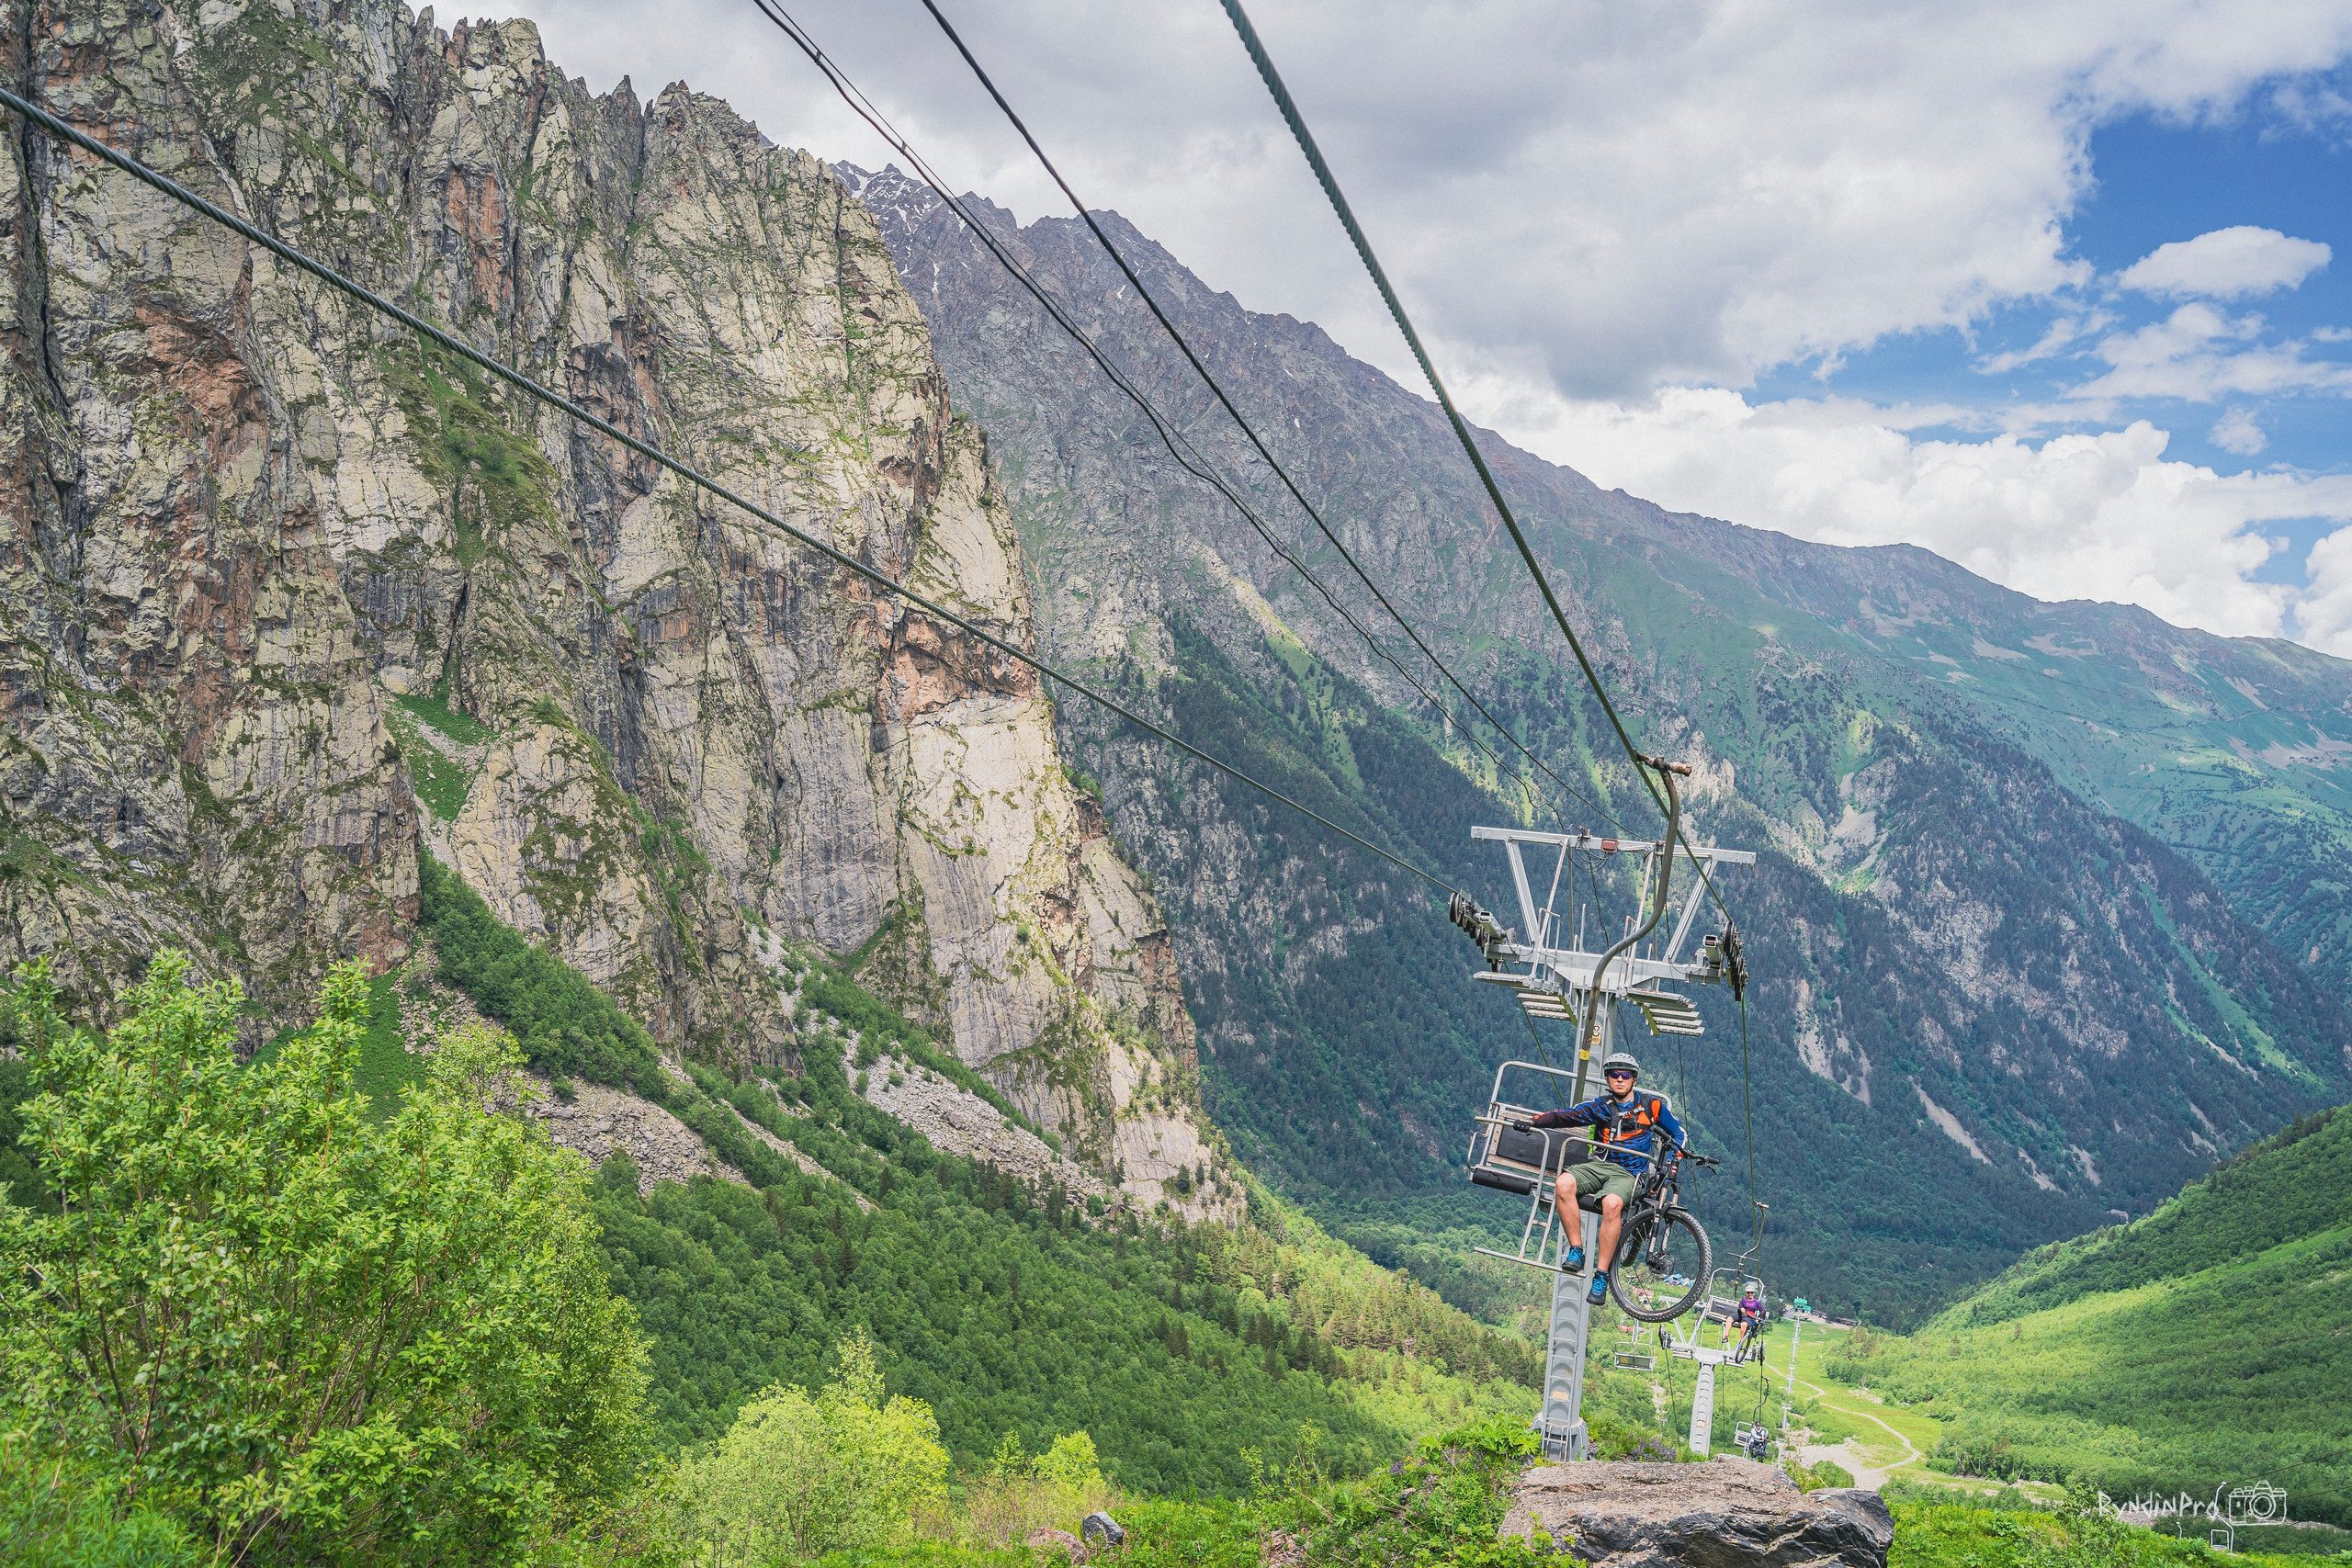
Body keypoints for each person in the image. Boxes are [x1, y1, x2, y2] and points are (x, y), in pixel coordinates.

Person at [1519, 1051, 1687, 1304]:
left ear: (1633, 1079)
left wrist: (1677, 1154)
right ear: (1608, 1079)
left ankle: (1601, 1275)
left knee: (1612, 1204)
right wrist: (1533, 1121)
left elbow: (1678, 1132)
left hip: (1631, 1173)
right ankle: (1576, 1251)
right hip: (1599, 1166)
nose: (1620, 1079)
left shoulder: (1651, 1106)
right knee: (1563, 1184)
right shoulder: (1600, 1106)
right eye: (1614, 1075)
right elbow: (1564, 1116)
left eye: (1625, 1075)